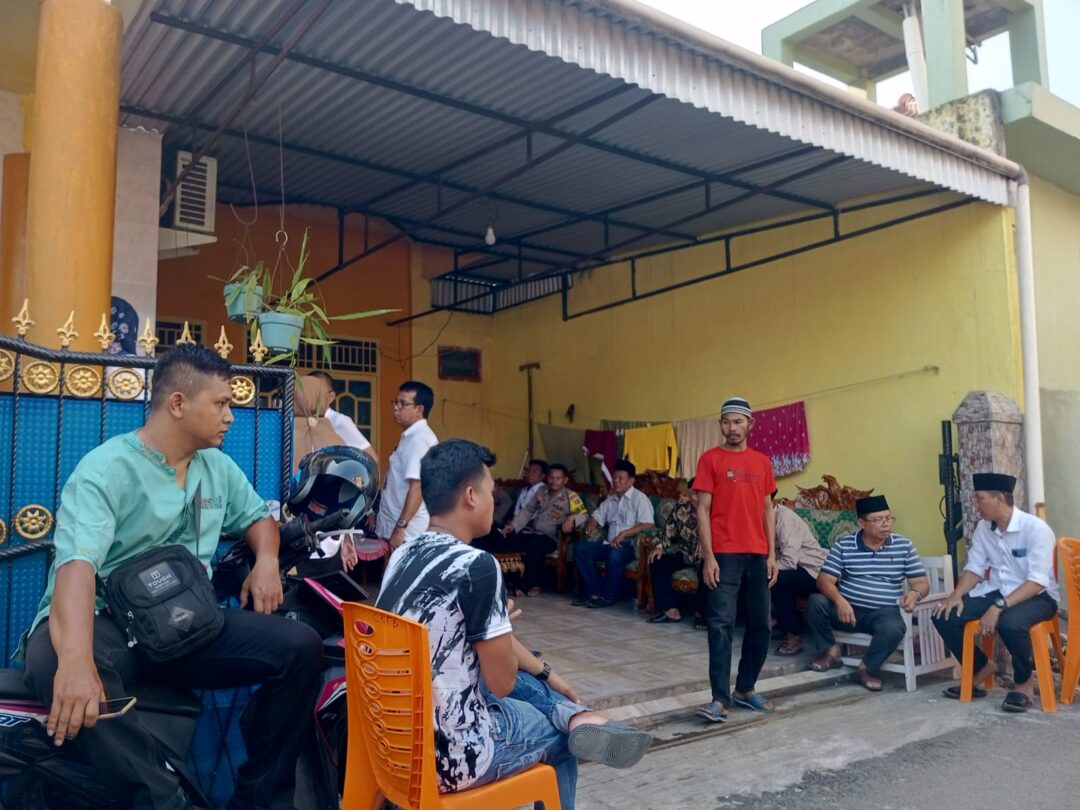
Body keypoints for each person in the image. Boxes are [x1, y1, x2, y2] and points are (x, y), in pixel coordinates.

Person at [20, 344, 324, 810]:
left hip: (188, 624)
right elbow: (76, 566)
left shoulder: (216, 467)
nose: (231, 416)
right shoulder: (106, 468)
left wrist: (266, 560)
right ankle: (165, 802)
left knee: (299, 648)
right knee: (56, 662)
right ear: (178, 404)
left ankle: (260, 799)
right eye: (221, 404)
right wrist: (76, 660)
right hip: (111, 625)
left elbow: (258, 519)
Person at [374, 439, 651, 808]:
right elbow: (500, 683)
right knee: (558, 737)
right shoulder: (477, 566)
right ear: (471, 496)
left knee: (524, 676)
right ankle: (570, 721)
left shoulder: (404, 553)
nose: (494, 499)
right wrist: (500, 622)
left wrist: (549, 673)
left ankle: (573, 713)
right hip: (452, 754)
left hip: (396, 738)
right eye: (491, 490)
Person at [932, 473, 1060, 713]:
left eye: (980, 499)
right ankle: (980, 667)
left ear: (999, 498)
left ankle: (1023, 683)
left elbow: (1036, 581)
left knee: (1010, 623)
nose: (976, 505)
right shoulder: (984, 527)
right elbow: (975, 568)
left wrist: (999, 605)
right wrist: (957, 594)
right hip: (996, 589)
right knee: (944, 615)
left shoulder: (1036, 530)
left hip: (1038, 596)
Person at [693, 397, 778, 722]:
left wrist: (772, 554)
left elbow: (768, 509)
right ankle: (719, 698)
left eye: (738, 422)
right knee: (720, 625)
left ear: (749, 425)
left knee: (761, 626)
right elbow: (702, 509)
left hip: (758, 554)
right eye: (727, 422)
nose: (732, 427)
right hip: (724, 554)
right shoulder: (710, 459)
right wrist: (709, 556)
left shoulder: (762, 462)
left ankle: (745, 688)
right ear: (721, 425)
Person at [806, 495, 929, 691]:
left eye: (888, 518)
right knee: (815, 602)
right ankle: (831, 652)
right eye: (878, 519)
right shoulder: (844, 545)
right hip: (847, 611)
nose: (886, 524)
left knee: (894, 627)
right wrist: (839, 601)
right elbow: (824, 580)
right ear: (861, 523)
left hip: (883, 612)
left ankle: (866, 669)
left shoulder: (903, 545)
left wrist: (914, 594)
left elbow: (921, 583)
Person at [573, 460, 655, 609]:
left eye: (620, 478)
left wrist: (625, 533)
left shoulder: (640, 499)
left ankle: (608, 597)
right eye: (614, 477)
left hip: (629, 546)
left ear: (631, 480)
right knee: (581, 548)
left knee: (615, 555)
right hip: (609, 543)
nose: (616, 481)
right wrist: (591, 525)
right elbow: (596, 516)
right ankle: (594, 593)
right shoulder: (611, 499)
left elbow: (648, 524)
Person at [501, 463, 588, 596]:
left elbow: (584, 514)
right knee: (509, 541)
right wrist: (513, 526)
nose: (554, 481)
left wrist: (571, 518)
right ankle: (512, 582)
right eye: (551, 477)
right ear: (547, 478)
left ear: (565, 480)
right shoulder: (542, 491)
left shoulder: (571, 496)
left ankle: (535, 585)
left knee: (534, 546)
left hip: (551, 537)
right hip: (533, 532)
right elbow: (528, 510)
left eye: (558, 478)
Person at [374, 381, 438, 550]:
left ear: (419, 409)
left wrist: (401, 527)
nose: (396, 407)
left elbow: (417, 488)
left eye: (403, 404)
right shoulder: (410, 437)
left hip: (408, 534)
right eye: (395, 402)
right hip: (401, 531)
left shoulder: (419, 440)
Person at [771, 503, 829, 655]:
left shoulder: (784, 519)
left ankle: (793, 637)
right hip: (797, 568)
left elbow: (788, 562)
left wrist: (766, 568)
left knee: (780, 579)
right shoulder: (762, 518)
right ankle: (770, 621)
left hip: (815, 572)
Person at [646, 480, 705, 627]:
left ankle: (702, 613)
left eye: (700, 494)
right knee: (657, 561)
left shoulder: (717, 510)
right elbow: (667, 531)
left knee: (707, 568)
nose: (697, 498)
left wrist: (709, 546)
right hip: (685, 554)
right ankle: (671, 610)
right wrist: (660, 546)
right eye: (693, 493)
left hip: (708, 556)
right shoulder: (681, 509)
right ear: (688, 494)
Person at [306, 370, 378, 465]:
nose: (311, 396)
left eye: (317, 392)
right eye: (308, 391)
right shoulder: (301, 420)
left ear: (331, 396)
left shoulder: (339, 421)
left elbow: (371, 457)